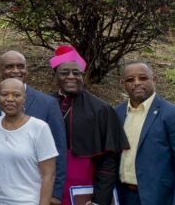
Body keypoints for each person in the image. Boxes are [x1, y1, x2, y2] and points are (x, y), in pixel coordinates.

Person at [49, 45, 128, 205]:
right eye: (64, 72)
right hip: (47, 186)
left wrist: (99, 200)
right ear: (55, 75)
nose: (71, 76)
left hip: (85, 190)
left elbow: (108, 163)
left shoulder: (101, 109)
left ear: (83, 76)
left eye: (76, 73)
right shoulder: (44, 105)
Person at [0, 50, 67, 203]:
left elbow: (59, 149)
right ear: (0, 70)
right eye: (9, 66)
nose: (16, 71)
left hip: (29, 195)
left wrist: (54, 193)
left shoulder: (47, 103)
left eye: (20, 66)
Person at [115, 62, 175, 205]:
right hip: (123, 196)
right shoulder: (117, 113)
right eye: (130, 80)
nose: (136, 83)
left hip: (158, 197)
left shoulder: (174, 115)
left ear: (153, 80)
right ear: (123, 83)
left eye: (143, 78)